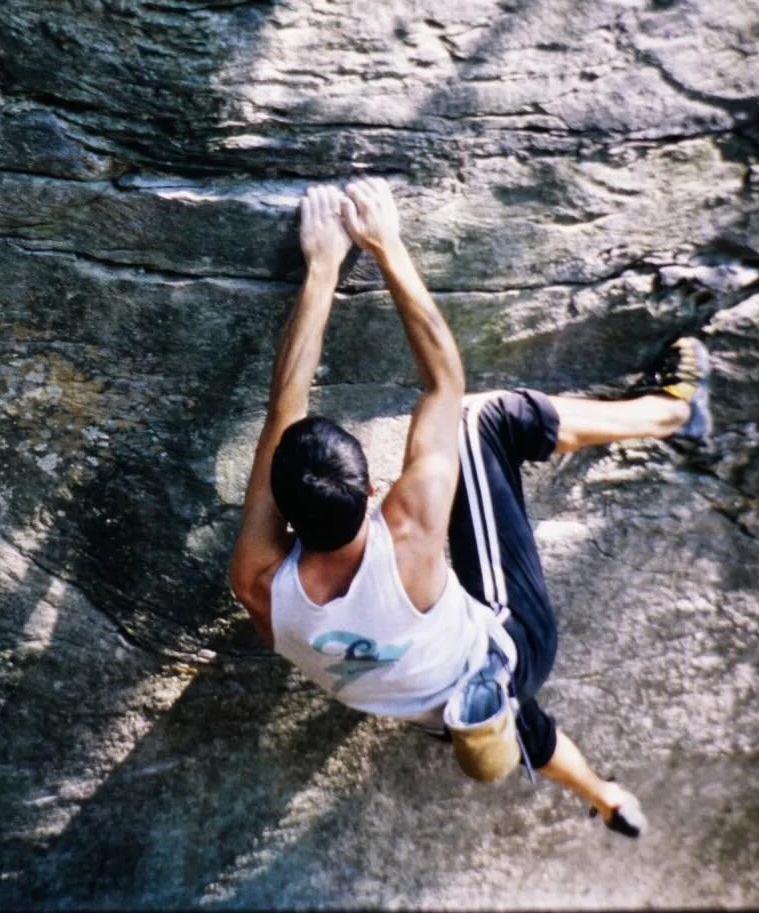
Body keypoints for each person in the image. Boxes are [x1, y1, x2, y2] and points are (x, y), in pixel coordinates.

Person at [229, 177, 712, 837]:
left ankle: (607, 800)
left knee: (512, 715)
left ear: (282, 513)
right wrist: (382, 245)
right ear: (373, 495)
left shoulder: (258, 584)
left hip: (432, 705)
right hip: (513, 640)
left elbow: (283, 411)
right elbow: (443, 382)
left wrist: (319, 271)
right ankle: (671, 413)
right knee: (478, 419)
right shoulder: (406, 537)